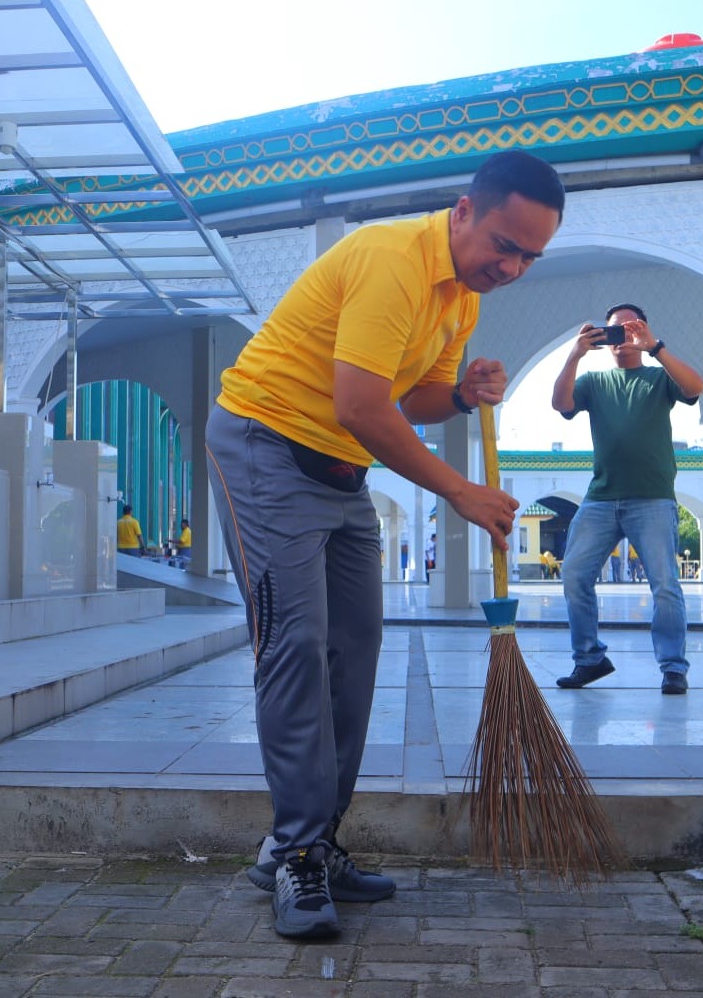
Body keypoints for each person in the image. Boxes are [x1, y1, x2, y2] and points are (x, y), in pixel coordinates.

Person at [205, 150, 564, 939]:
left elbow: (413, 397)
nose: (511, 266)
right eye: (504, 245)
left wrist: (462, 396)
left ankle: (314, 843)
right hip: (267, 447)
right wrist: (458, 490)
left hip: (340, 475)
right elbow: (363, 404)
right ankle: (294, 851)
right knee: (294, 644)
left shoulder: (460, 297)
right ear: (464, 213)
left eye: (529, 257)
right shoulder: (392, 260)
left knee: (356, 644)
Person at [552, 303, 703, 695]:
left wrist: (655, 347)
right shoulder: (593, 380)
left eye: (629, 328)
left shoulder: (658, 377)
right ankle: (589, 659)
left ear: (643, 330)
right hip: (601, 497)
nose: (620, 336)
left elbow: (694, 387)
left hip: (652, 499)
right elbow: (561, 404)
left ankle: (673, 667)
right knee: (573, 574)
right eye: (613, 330)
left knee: (665, 584)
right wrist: (575, 353)